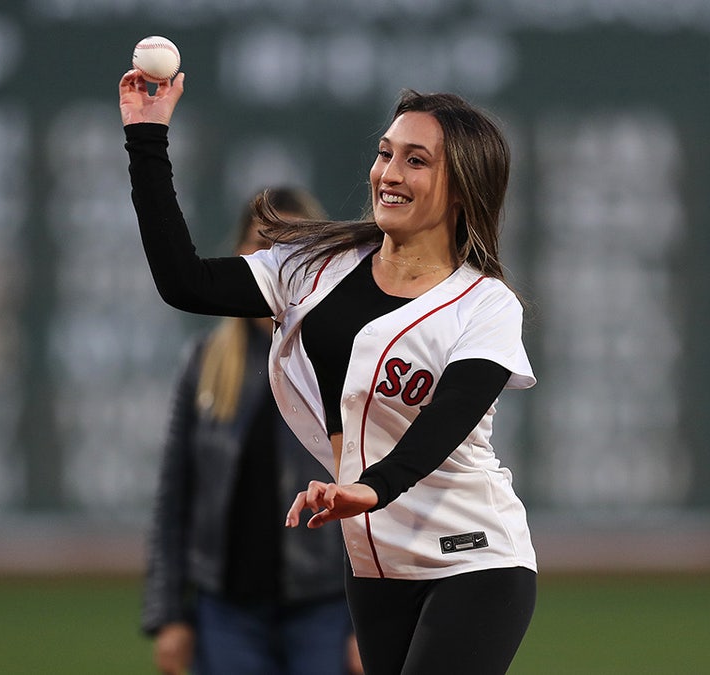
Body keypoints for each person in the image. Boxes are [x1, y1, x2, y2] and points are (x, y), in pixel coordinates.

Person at [120, 67, 538, 675]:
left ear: (463, 187)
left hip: (474, 557)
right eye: (385, 153)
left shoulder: (486, 304)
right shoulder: (316, 268)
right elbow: (183, 281)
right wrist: (146, 138)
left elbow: (447, 420)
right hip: (372, 562)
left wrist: (370, 488)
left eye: (416, 161)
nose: (388, 174)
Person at [141, 187, 362, 675]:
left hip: (325, 607)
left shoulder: (349, 359)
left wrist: (367, 624)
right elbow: (174, 497)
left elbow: (373, 496)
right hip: (226, 609)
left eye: (293, 243)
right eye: (261, 242)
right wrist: (169, 615)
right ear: (239, 255)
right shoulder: (205, 362)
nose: (276, 258)